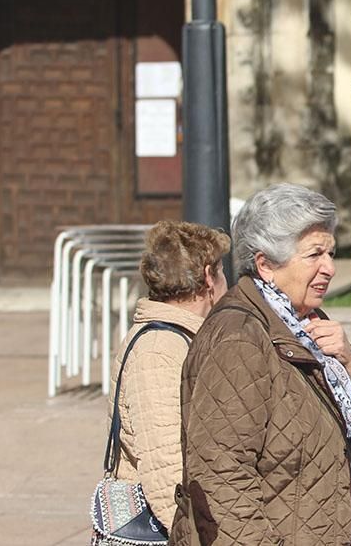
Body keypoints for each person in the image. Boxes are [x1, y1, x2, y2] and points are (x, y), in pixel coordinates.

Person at [171, 183, 351, 546]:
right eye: (314, 255)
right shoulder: (240, 337)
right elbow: (221, 475)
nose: (330, 268)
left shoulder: (302, 323)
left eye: (331, 253)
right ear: (265, 265)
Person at [108, 220, 229, 532]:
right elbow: (165, 472)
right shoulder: (159, 350)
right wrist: (195, 534)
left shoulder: (180, 339)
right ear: (208, 278)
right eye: (222, 270)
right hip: (170, 530)